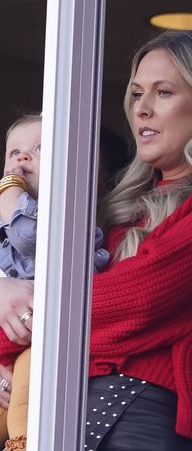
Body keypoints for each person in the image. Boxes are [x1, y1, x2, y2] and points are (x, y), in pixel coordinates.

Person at [20, 30, 192, 451]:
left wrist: (22, 312)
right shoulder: (114, 205)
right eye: (135, 95)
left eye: (163, 92)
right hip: (71, 403)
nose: (142, 110)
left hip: (148, 415)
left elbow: (137, 298)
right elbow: (85, 305)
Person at [0, 115, 110, 451]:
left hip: (41, 350)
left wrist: (8, 190)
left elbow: (29, 235)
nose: (22, 158)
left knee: (28, 403)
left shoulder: (71, 223)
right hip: (7, 354)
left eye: (38, 149)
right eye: (14, 151)